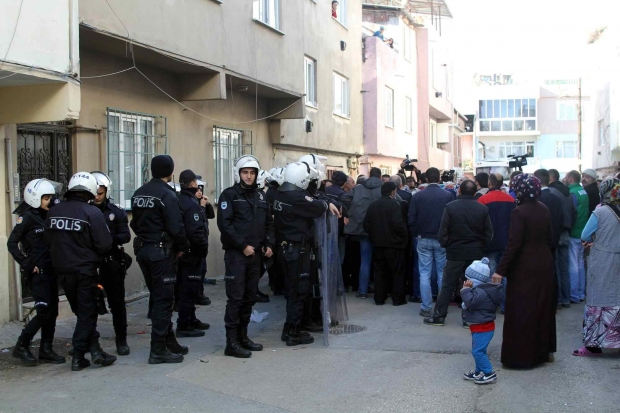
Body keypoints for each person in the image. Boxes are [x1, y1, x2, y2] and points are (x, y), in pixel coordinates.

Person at [45, 172, 115, 371]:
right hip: (85, 271)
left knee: (81, 311)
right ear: (90, 191)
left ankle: (95, 350)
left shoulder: (54, 211)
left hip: (62, 271)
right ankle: (78, 355)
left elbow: (48, 240)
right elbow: (104, 244)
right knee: (87, 313)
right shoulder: (92, 213)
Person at [492, 174, 556, 368]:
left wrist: (500, 270)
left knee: (522, 310)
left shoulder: (519, 211)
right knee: (542, 308)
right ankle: (543, 351)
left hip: (524, 267)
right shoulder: (543, 208)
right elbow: (550, 239)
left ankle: (521, 357)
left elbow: (514, 243)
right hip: (544, 262)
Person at [131, 155, 190, 365]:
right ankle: (157, 350)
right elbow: (176, 227)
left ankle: (169, 342)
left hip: (143, 250)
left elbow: (134, 224)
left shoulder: (139, 193)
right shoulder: (167, 195)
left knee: (158, 298)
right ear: (171, 172)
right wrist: (182, 247)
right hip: (160, 252)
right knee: (164, 301)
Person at [273, 162, 339, 346]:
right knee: (299, 291)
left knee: (291, 291)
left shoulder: (280, 194)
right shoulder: (297, 197)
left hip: (286, 248)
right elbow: (317, 206)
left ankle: (290, 329)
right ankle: (293, 332)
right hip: (298, 250)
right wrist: (327, 204)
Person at [217, 155, 274, 358]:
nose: (249, 176)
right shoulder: (229, 195)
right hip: (237, 255)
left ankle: (243, 337)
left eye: (252, 173)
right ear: (238, 174)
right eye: (245, 172)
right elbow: (225, 225)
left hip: (256, 256)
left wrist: (268, 244)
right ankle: (231, 342)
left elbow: (268, 223)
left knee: (249, 298)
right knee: (236, 298)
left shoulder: (261, 196)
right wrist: (242, 246)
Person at [9, 179, 65, 366]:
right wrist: (26, 263)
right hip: (38, 273)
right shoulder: (27, 217)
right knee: (43, 312)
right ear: (35, 198)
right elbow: (12, 243)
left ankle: (46, 349)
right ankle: (21, 345)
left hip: (51, 270)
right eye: (46, 198)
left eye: (50, 197)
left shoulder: (48, 215)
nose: (50, 201)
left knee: (53, 311)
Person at [424, 180, 493, 326]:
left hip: (455, 252)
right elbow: (488, 233)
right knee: (473, 285)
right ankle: (469, 319)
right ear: (475, 192)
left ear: (459, 190)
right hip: (475, 252)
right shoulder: (482, 209)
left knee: (448, 285)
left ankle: (439, 316)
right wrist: (481, 247)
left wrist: (446, 245)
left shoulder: (451, 207)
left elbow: (443, 231)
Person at [574, 179, 620, 356]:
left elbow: (585, 234)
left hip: (603, 259)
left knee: (598, 298)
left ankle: (593, 345)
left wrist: (593, 241)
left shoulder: (601, 211)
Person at [91, 171, 132, 356]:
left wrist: (106, 238)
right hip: (90, 264)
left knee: (117, 303)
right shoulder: (85, 211)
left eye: (100, 193)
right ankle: (88, 341)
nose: (97, 197)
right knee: (89, 304)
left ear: (106, 192)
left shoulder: (116, 212)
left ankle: (121, 340)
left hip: (111, 262)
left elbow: (125, 236)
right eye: (94, 193)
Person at [408, 167, 454, 317]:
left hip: (423, 237)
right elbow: (452, 218)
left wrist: (416, 234)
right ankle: (441, 307)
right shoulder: (448, 196)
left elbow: (411, 219)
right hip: (442, 239)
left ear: (426, 179)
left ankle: (426, 307)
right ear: (439, 179)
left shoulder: (417, 196)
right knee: (442, 273)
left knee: (424, 273)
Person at [174, 170, 211, 338]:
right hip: (192, 253)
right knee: (188, 290)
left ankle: (191, 318)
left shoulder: (181, 199)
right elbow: (195, 231)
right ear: (193, 183)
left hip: (185, 251)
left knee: (189, 288)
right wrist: (202, 249)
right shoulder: (190, 202)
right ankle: (184, 325)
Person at [363, 182, 408, 306]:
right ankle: (398, 299)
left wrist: (374, 236)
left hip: (378, 243)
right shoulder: (395, 204)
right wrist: (403, 236)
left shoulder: (373, 205)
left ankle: (379, 298)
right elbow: (398, 225)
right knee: (397, 272)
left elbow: (366, 224)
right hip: (395, 244)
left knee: (379, 272)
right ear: (393, 192)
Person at [343, 167, 383, 298]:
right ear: (380, 177)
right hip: (380, 229)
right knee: (380, 261)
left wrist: (352, 212)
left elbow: (345, 198)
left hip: (362, 228)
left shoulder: (358, 188)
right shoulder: (384, 187)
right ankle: (380, 290)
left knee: (365, 261)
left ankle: (363, 291)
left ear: (369, 175)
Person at [461, 258, 502, 385]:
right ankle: (479, 371)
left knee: (477, 351)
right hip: (480, 326)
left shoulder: (481, 292)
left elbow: (469, 301)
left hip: (483, 327)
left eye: (467, 279)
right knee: (479, 350)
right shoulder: (481, 290)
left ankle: (489, 373)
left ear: (473, 280)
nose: (466, 281)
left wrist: (465, 290)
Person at [477, 173, 515, 312]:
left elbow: (479, 222)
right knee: (503, 273)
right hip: (506, 241)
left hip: (490, 242)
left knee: (491, 274)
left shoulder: (483, 199)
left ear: (490, 183)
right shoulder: (511, 199)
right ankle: (505, 305)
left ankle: (491, 305)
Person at [548, 169, 575, 308]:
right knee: (565, 267)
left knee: (555, 266)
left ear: (550, 178)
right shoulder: (568, 193)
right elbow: (574, 212)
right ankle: (566, 298)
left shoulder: (551, 193)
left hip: (556, 232)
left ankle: (557, 299)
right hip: (566, 231)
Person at [566, 170, 589, 303]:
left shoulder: (572, 193)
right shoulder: (583, 191)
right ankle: (580, 293)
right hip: (583, 231)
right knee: (580, 264)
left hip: (574, 232)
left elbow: (572, 213)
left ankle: (574, 294)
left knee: (573, 265)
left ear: (570, 179)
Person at [195, 177, 215, 306]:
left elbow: (211, 215)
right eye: (197, 190)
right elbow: (198, 220)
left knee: (203, 269)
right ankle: (198, 294)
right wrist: (202, 207)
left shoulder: (201, 203)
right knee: (198, 270)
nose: (199, 192)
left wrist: (207, 204)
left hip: (203, 240)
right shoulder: (192, 204)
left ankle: (199, 292)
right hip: (196, 241)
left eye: (201, 190)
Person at [325, 171, 350, 265]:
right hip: (338, 227)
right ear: (344, 183)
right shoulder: (342, 194)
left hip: (324, 224)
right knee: (339, 251)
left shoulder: (325, 190)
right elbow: (345, 211)